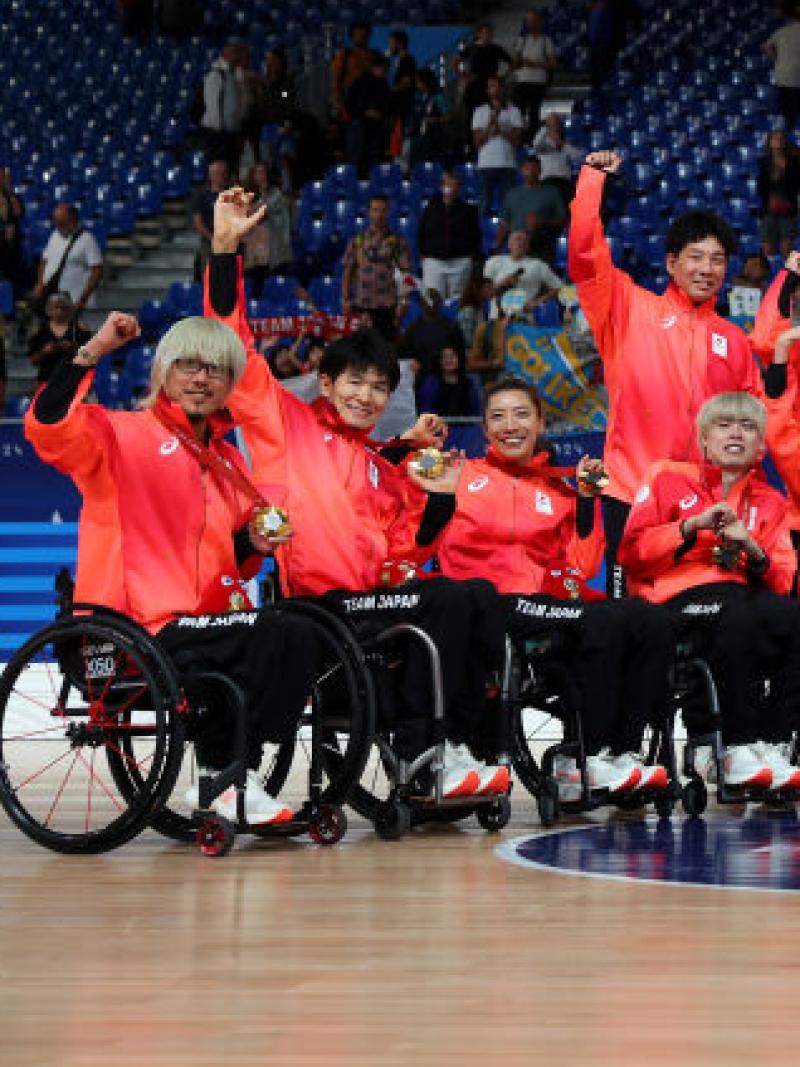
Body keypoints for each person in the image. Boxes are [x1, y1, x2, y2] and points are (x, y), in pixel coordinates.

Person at [204, 186, 510, 798]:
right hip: (316, 607)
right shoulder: (283, 424)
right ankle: (421, 753)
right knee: (447, 602)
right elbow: (232, 346)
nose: (366, 397)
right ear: (324, 381)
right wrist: (225, 250)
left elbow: (406, 548)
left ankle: (469, 744)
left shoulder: (375, 463)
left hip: (368, 609)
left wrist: (443, 499)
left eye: (379, 387)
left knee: (478, 596)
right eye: (355, 382)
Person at [24, 311, 316, 825]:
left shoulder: (229, 461)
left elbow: (234, 566)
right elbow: (48, 425)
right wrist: (94, 347)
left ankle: (227, 775)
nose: (200, 379)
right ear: (162, 372)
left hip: (202, 625)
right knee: (274, 631)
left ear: (229, 384)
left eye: (215, 370)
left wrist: (253, 543)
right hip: (130, 631)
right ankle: (227, 776)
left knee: (299, 631)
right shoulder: (117, 435)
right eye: (187, 366)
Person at [435, 375, 673, 794]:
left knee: (649, 620)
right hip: (488, 606)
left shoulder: (560, 489)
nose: (511, 425)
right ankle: (580, 758)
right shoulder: (458, 476)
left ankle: (622, 752)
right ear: (485, 429)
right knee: (598, 622)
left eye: (522, 414)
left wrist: (584, 501)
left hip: (544, 608)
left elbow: (582, 568)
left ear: (541, 422)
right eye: (499, 417)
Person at [568, 149, 763, 598]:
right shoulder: (627, 308)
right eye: (695, 257)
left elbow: (752, 427)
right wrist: (592, 179)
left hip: (700, 503)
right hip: (629, 490)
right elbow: (583, 253)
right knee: (627, 626)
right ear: (672, 263)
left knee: (693, 619)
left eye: (717, 260)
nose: (707, 269)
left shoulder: (733, 339)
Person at [619, 392, 800, 791]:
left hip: (739, 603)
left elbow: (783, 581)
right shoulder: (667, 476)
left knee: (791, 617)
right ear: (703, 440)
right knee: (735, 612)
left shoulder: (770, 502)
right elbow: (631, 553)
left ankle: (773, 743)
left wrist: (752, 548)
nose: (736, 433)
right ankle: (723, 745)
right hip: (672, 601)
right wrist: (689, 526)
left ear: (760, 446)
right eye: (724, 425)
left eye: (748, 426)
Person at [341, 195, 410, 340]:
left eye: (383, 210)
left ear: (388, 212)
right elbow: (347, 271)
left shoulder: (397, 242)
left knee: (385, 351)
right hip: (361, 305)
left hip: (387, 307)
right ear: (369, 212)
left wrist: (404, 300)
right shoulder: (357, 241)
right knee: (361, 350)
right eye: (375, 210)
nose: (379, 215)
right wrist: (345, 299)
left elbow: (405, 274)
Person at [29, 203, 103, 318]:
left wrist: (83, 299)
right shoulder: (54, 235)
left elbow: (97, 271)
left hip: (74, 300)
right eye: (56, 222)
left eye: (61, 222)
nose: (57, 226)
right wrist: (39, 284)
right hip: (53, 298)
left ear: (73, 220)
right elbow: (44, 261)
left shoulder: (87, 240)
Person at [417, 171, 481, 302]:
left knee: (458, 301)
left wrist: (471, 255)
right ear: (442, 186)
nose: (451, 188)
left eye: (455, 185)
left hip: (460, 262)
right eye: (448, 185)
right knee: (433, 300)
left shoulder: (467, 210)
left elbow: (475, 234)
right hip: (434, 262)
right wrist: (423, 254)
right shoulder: (430, 209)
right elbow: (421, 233)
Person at [494, 152, 566, 264]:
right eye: (527, 168)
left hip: (542, 246)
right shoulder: (511, 194)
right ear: (521, 170)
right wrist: (497, 247)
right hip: (517, 247)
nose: (531, 172)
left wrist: (543, 222)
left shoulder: (552, 192)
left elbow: (563, 220)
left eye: (534, 168)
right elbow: (504, 224)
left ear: (540, 170)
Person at [472, 76, 524, 217]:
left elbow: (517, 142)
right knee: (484, 204)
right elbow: (477, 142)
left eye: (495, 86)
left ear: (502, 88)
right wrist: (490, 126)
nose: (492, 89)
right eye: (490, 87)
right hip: (486, 164)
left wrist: (501, 129)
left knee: (506, 208)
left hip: (507, 165)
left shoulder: (514, 111)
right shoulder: (480, 111)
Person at [483, 230, 563, 319]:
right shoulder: (493, 262)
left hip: (524, 320)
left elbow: (559, 288)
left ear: (528, 247)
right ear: (509, 245)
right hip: (497, 320)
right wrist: (503, 283)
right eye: (517, 239)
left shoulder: (538, 265)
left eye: (525, 241)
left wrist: (538, 301)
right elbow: (485, 294)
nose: (521, 242)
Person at [241, 162, 293, 297]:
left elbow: (262, 212)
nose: (261, 176)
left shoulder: (276, 194)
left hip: (273, 246)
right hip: (254, 246)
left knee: (274, 282)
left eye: (263, 172)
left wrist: (259, 202)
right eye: (257, 173)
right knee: (255, 282)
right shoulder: (248, 195)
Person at [398, 287, 467, 380]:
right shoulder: (412, 329)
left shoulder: (452, 327)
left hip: (447, 378)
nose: (430, 305)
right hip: (421, 379)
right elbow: (406, 357)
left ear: (440, 304)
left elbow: (460, 356)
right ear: (421, 304)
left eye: (434, 300)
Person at [344, 51, 393, 178]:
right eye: (384, 69)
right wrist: (366, 113)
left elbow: (387, 107)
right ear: (375, 68)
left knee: (375, 164)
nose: (385, 72)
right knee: (358, 164)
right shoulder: (359, 83)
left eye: (387, 70)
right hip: (360, 130)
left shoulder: (384, 86)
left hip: (377, 132)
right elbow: (349, 106)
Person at [27, 291, 91, 384]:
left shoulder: (79, 329)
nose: (59, 311)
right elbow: (32, 360)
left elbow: (90, 357)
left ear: (69, 309)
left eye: (63, 308)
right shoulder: (40, 330)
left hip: (72, 380)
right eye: (55, 307)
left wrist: (75, 348)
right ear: (49, 309)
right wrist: (44, 352)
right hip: (46, 379)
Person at [199, 41, 244, 173]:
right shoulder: (215, 74)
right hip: (217, 132)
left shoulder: (234, 73)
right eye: (233, 52)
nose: (236, 55)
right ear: (225, 53)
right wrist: (218, 129)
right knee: (219, 169)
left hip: (229, 132)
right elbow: (212, 103)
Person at [511, 10, 557, 132]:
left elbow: (553, 64)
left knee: (534, 113)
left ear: (539, 22)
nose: (531, 24)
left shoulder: (546, 41)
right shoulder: (522, 40)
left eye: (534, 21)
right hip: (522, 81)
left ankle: (532, 137)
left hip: (538, 82)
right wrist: (519, 60)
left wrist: (535, 64)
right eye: (529, 21)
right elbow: (515, 63)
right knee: (519, 112)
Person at [757, 129, 800, 260]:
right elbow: (760, 188)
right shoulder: (764, 162)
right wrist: (772, 179)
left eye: (781, 139)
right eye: (775, 139)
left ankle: (785, 279)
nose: (778, 142)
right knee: (767, 246)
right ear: (769, 143)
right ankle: (769, 278)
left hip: (788, 207)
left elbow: (797, 185)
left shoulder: (793, 161)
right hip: (769, 208)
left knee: (786, 247)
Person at [191, 160, 231, 283]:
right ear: (209, 176)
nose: (217, 176)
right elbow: (198, 223)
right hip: (209, 244)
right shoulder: (202, 196)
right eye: (214, 173)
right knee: (209, 280)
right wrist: (213, 239)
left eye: (220, 173)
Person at [530, 112, 581, 207]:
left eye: (556, 124)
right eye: (551, 125)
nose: (554, 127)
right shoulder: (542, 144)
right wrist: (546, 127)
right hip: (547, 181)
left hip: (563, 182)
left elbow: (578, 156)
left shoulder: (566, 143)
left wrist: (561, 143)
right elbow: (535, 144)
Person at [764, 3, 800, 133]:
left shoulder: (782, 31)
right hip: (795, 76)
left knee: (788, 109)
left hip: (784, 76)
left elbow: (767, 47)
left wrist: (776, 59)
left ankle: (789, 130)